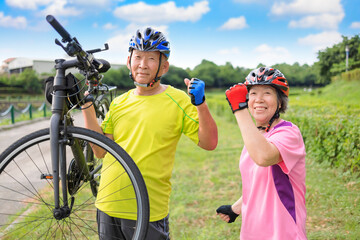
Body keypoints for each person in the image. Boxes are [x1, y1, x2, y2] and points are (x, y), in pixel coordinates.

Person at [81, 27, 218, 239]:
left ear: (164, 67)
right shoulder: (119, 102)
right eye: (138, 57)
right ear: (129, 61)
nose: (143, 64)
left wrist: (200, 104)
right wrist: (86, 108)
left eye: (151, 59)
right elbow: (100, 151)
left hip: (148, 209)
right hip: (107, 204)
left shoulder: (178, 99)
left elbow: (209, 143)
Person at [216, 67, 307, 239]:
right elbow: (259, 184)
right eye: (253, 93)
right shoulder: (256, 136)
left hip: (282, 231)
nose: (258, 99)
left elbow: (264, 157)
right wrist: (235, 208)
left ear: (280, 102)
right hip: (253, 231)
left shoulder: (289, 133)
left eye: (267, 93)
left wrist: (239, 110)